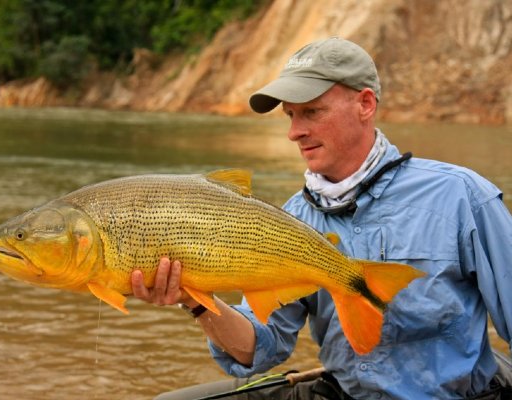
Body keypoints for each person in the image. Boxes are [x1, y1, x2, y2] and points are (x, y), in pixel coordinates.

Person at [131, 37, 512, 399]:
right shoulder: (289, 219)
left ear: (365, 104)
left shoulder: (462, 196)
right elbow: (259, 350)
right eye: (291, 116)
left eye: (312, 112)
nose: (295, 133)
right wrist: (196, 302)